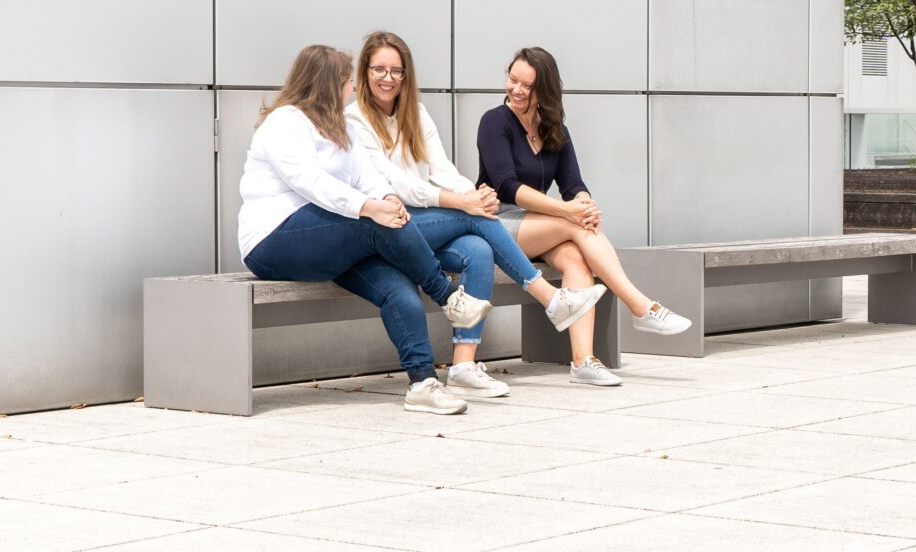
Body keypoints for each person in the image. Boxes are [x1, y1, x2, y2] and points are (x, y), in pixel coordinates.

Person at [345, 31, 604, 399]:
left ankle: (464, 365)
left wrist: (473, 194)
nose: (388, 78)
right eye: (379, 70)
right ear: (365, 71)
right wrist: (463, 204)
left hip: (425, 222)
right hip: (387, 225)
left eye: (396, 71)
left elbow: (442, 167)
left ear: (406, 75)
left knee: (478, 249)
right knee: (477, 220)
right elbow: (395, 184)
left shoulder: (414, 112)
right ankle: (550, 298)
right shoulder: (354, 119)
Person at [238, 45, 488, 416]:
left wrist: (387, 198)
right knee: (377, 222)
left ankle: (422, 382)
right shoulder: (285, 122)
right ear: (327, 83)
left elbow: (366, 176)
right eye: (347, 81)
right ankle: (448, 298)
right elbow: (311, 182)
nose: (353, 89)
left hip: (332, 241)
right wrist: (372, 208)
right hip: (274, 241)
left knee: (397, 288)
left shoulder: (343, 126)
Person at [476, 46, 691, 386]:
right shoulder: (494, 121)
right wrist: (569, 211)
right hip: (496, 222)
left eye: (527, 85)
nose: (516, 90)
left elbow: (573, 183)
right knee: (570, 224)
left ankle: (583, 361)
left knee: (577, 258)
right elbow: (506, 186)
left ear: (543, 90)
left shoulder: (554, 127)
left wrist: (584, 205)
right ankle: (640, 306)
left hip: (537, 222)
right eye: (512, 80)